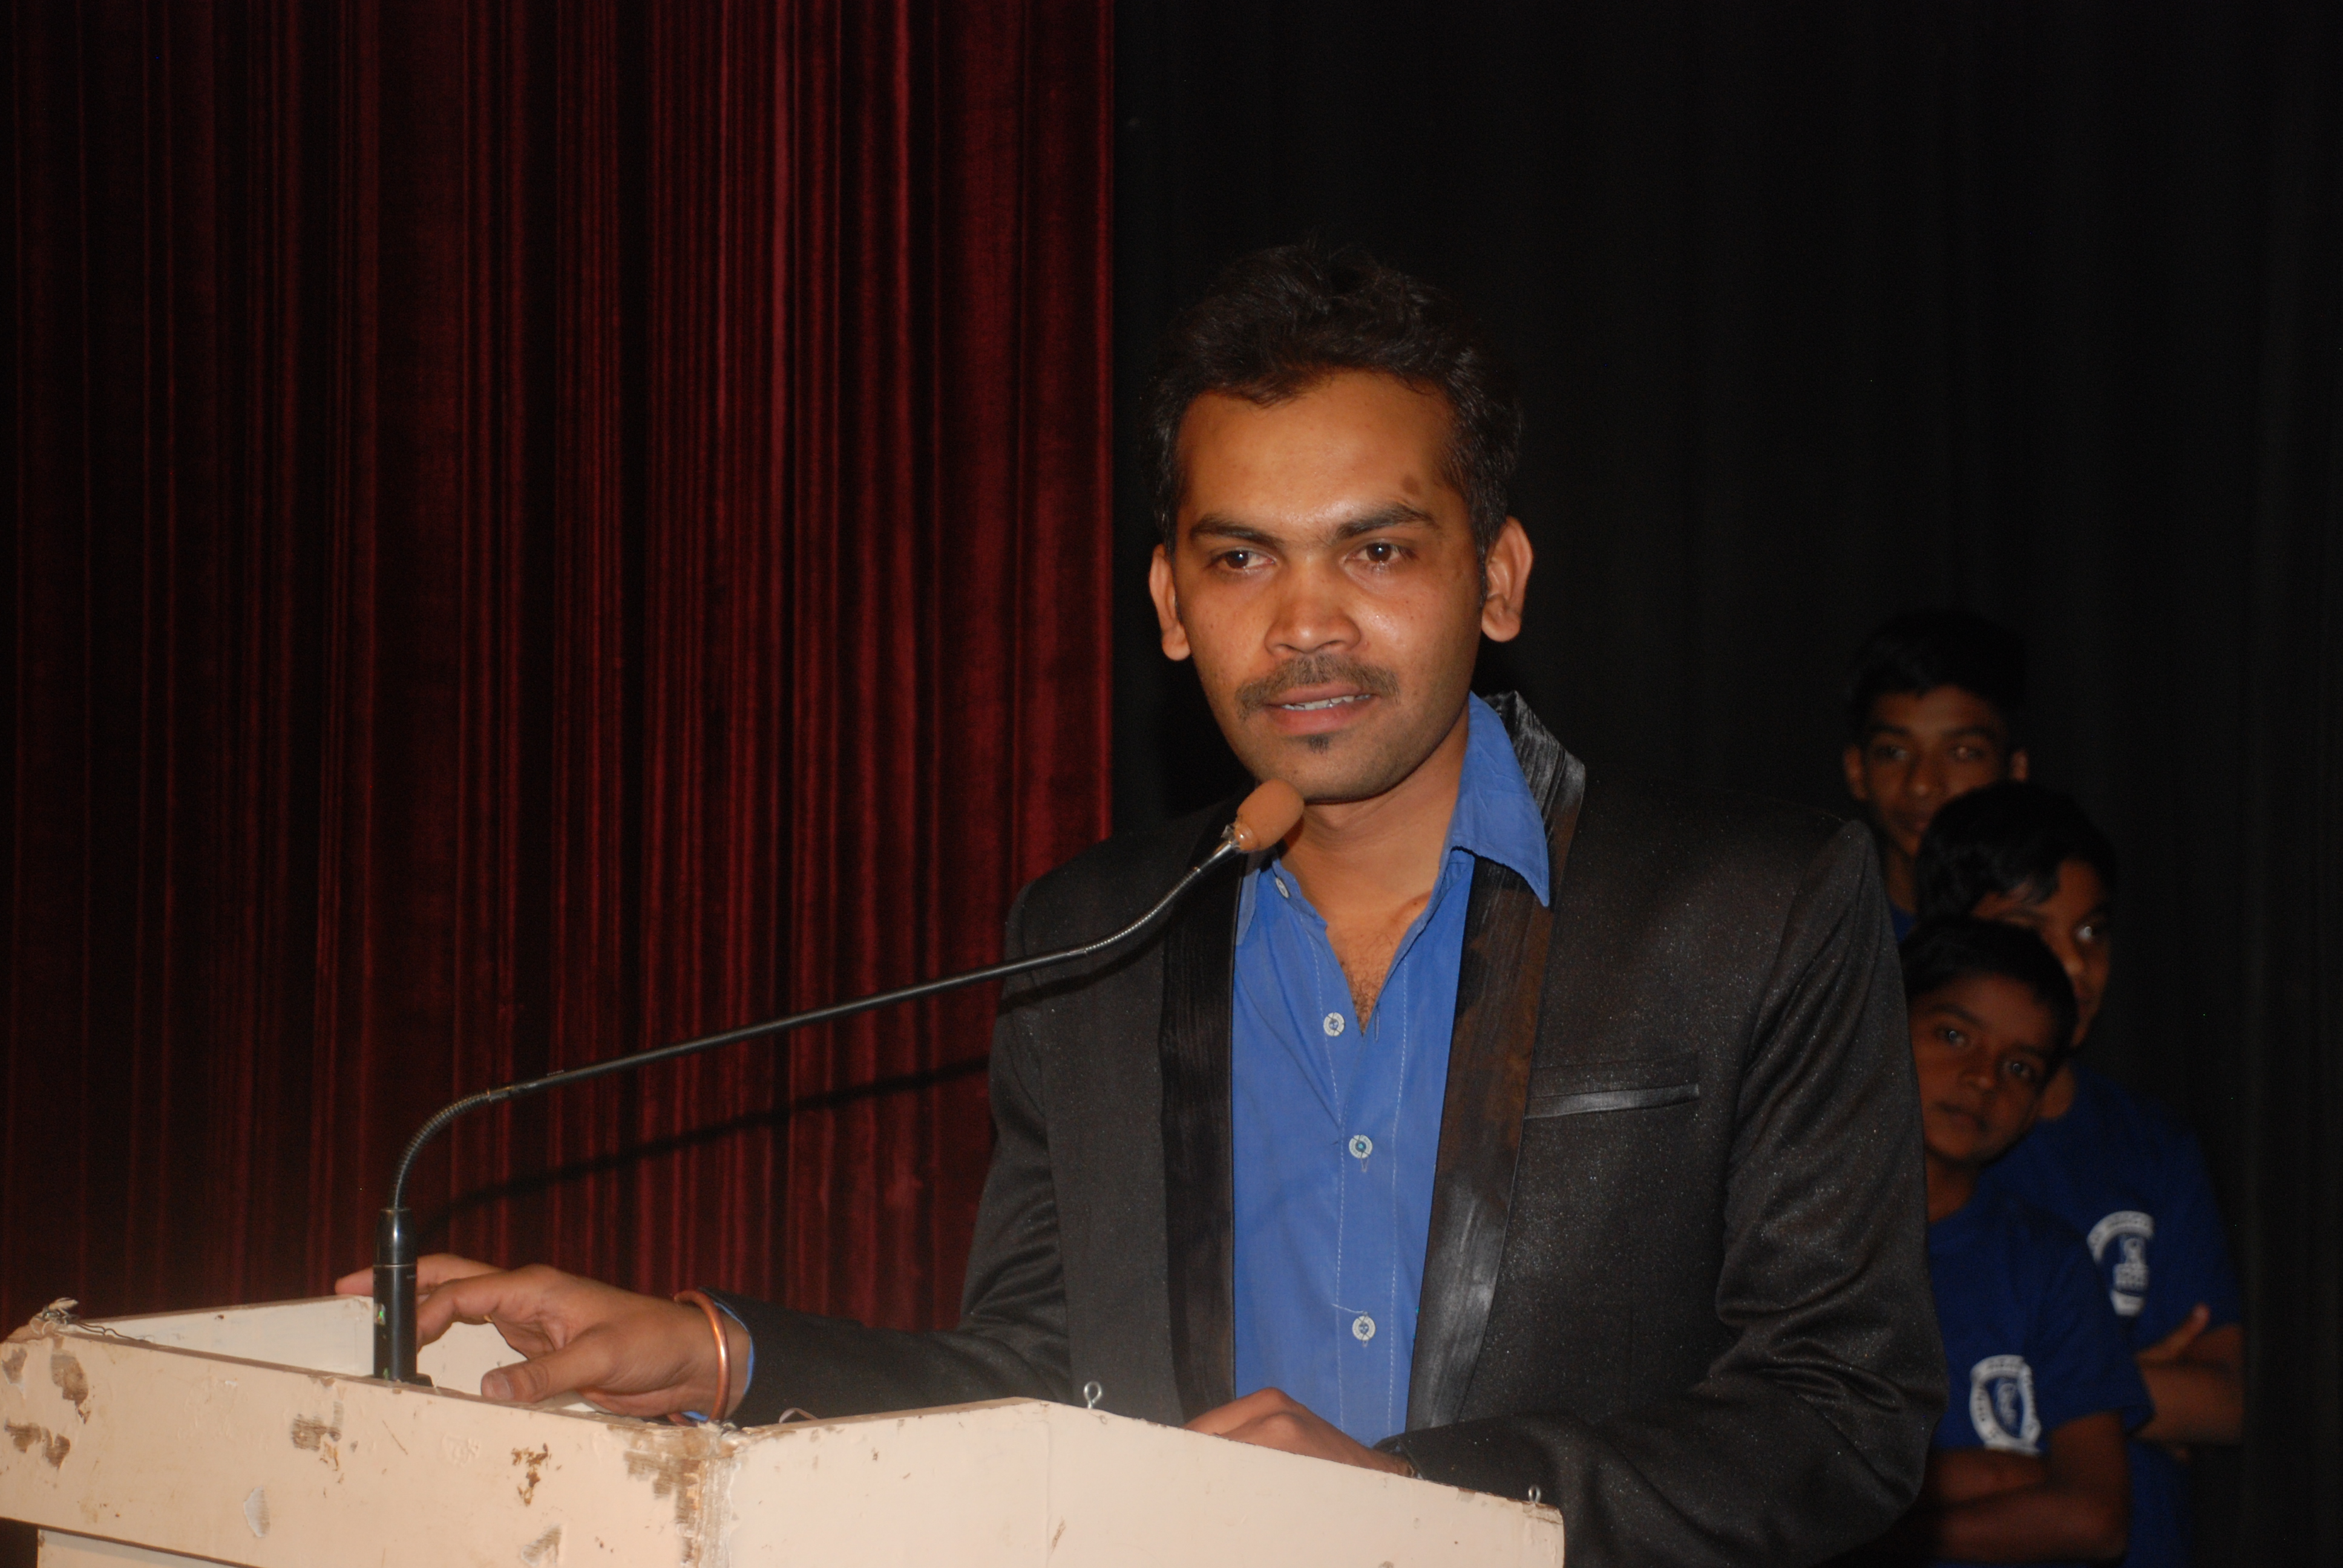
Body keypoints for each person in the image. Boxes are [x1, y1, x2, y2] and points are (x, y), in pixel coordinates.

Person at [338, 243, 1944, 1564]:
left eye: (1377, 552)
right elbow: (1041, 1379)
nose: (1306, 625)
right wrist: (717, 1350)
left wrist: (1431, 1505)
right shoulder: (1096, 932)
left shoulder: (1746, 908)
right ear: (1172, 603)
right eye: (1242, 561)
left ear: (1499, 578)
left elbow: (1843, 1416)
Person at [1915, 782, 2244, 1568]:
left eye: (2092, 932)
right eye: (2031, 930)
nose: (2073, 965)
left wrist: (2087, 1386)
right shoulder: (1939, 1144)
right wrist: (2106, 1394)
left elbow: (2231, 1398)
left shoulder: (2149, 1145)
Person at [1877, 917, 2148, 1564]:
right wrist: (1999, 1478)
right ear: (1877, 1027)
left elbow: (2095, 1516)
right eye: (1953, 1036)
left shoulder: (2047, 1262)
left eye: (2020, 1067)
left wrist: (1872, 1540)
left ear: (2036, 1105)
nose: (1983, 1078)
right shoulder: (1794, 1232)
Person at [1841, 610, 2030, 939]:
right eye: (1894, 752)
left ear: (2015, 771)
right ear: (1857, 770)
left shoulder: (2050, 943)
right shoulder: (1824, 943)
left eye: (1962, 753)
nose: (1922, 784)